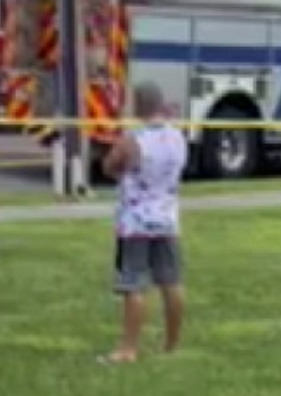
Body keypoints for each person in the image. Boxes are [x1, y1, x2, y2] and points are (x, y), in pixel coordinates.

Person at [100, 81, 189, 364]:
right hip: (167, 218)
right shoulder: (177, 137)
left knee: (134, 285)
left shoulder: (134, 139)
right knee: (171, 282)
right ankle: (172, 343)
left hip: (136, 221)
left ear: (137, 105)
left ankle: (128, 348)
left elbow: (111, 168)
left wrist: (116, 160)